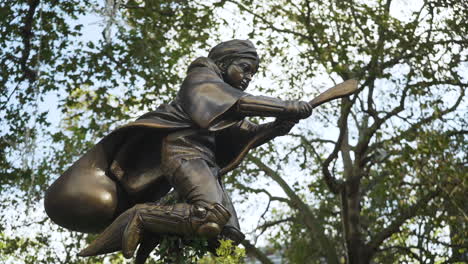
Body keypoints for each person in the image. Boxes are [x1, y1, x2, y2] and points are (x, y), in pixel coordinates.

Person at [44, 39, 312, 262]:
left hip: (206, 166)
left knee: (226, 236)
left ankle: (165, 233)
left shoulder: (226, 102)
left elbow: (243, 134)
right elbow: (242, 104)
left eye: (253, 73)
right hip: (184, 154)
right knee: (208, 215)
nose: (248, 77)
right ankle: (142, 216)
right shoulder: (201, 81)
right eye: (244, 68)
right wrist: (287, 106)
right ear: (222, 63)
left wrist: (275, 128)